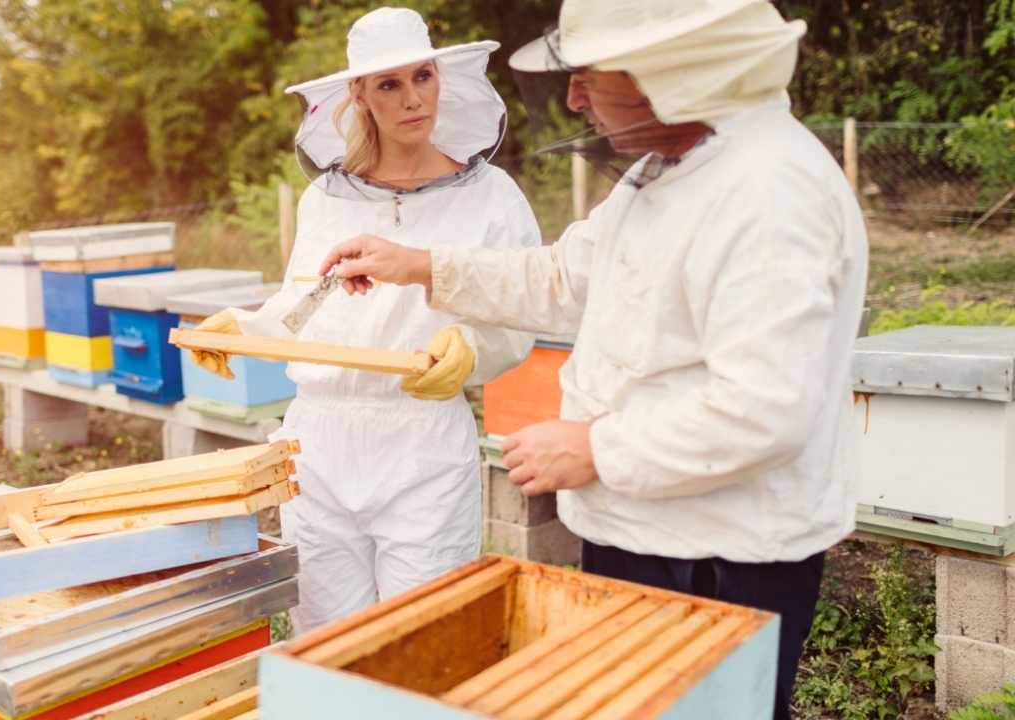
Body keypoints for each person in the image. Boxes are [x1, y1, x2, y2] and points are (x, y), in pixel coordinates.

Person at [318, 2, 868, 717]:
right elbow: (563, 277)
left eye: (587, 75)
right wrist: (419, 263)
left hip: (725, 554)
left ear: (667, 72)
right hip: (652, 531)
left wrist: (595, 447)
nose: (575, 97)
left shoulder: (767, 195)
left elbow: (766, 406)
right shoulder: (675, 165)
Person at [187, 7, 538, 634]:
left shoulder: (492, 196)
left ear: (441, 78)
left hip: (421, 442)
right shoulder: (326, 198)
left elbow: (517, 311)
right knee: (328, 641)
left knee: (425, 640)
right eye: (389, 84)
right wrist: (247, 328)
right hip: (318, 441)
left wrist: (474, 351)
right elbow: (304, 307)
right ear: (359, 96)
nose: (412, 99)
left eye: (422, 77)